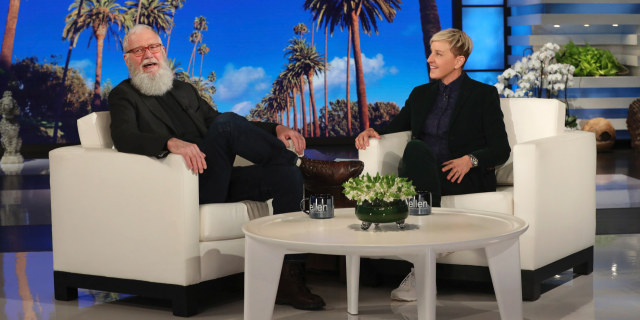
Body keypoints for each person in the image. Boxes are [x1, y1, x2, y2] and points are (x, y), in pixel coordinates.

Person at [109, 24, 363, 310]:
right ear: (128, 58)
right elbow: (124, 137)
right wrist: (170, 143)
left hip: (215, 174)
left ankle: (288, 278)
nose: (148, 54)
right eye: (138, 50)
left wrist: (276, 127)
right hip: (186, 184)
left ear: (163, 51)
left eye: (153, 47)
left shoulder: (183, 90)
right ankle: (308, 167)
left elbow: (224, 123)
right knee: (228, 124)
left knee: (285, 176)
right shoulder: (123, 95)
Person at [355, 28, 511, 301]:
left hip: (462, 176)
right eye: (430, 52)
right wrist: (372, 132)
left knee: (417, 160)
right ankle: (432, 249)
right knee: (415, 148)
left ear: (459, 60)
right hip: (423, 171)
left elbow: (501, 149)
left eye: (438, 54)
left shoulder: (484, 94)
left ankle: (422, 269)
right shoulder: (420, 94)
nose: (430, 59)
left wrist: (471, 160)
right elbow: (393, 130)